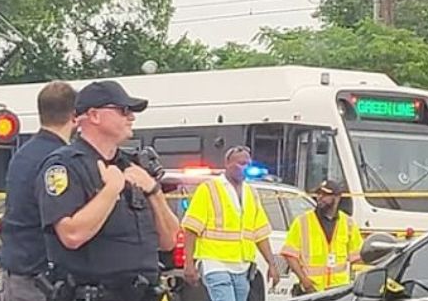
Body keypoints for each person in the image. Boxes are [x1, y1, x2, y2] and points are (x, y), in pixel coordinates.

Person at [36, 80, 180, 301]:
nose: (131, 117)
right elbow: (72, 234)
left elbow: (169, 240)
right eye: (123, 110)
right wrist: (111, 190)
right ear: (94, 115)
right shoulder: (64, 166)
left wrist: (153, 191)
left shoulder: (133, 166)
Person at [0, 81, 78, 301]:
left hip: (16, 269)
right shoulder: (59, 160)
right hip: (39, 277)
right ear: (74, 116)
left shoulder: (23, 154)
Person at [181, 145, 281, 301]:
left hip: (242, 266)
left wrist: (272, 265)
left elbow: (260, 234)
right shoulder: (209, 189)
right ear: (227, 163)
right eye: (240, 163)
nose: (245, 168)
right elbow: (191, 228)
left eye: (247, 164)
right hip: (215, 264)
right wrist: (189, 263)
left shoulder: (251, 193)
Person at [280, 180, 363, 295]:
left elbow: (357, 257)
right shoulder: (302, 222)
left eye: (325, 195)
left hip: (338, 291)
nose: (320, 197)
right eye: (319, 194)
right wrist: (305, 281)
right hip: (311, 290)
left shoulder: (348, 223)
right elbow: (289, 255)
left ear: (337, 197)